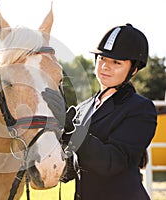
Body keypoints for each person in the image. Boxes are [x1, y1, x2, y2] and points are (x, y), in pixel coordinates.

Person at [42, 23, 157, 200]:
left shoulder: (141, 109)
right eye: (102, 58)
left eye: (116, 62)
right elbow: (75, 168)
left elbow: (111, 163)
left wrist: (73, 129)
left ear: (133, 70)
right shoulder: (83, 108)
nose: (105, 66)